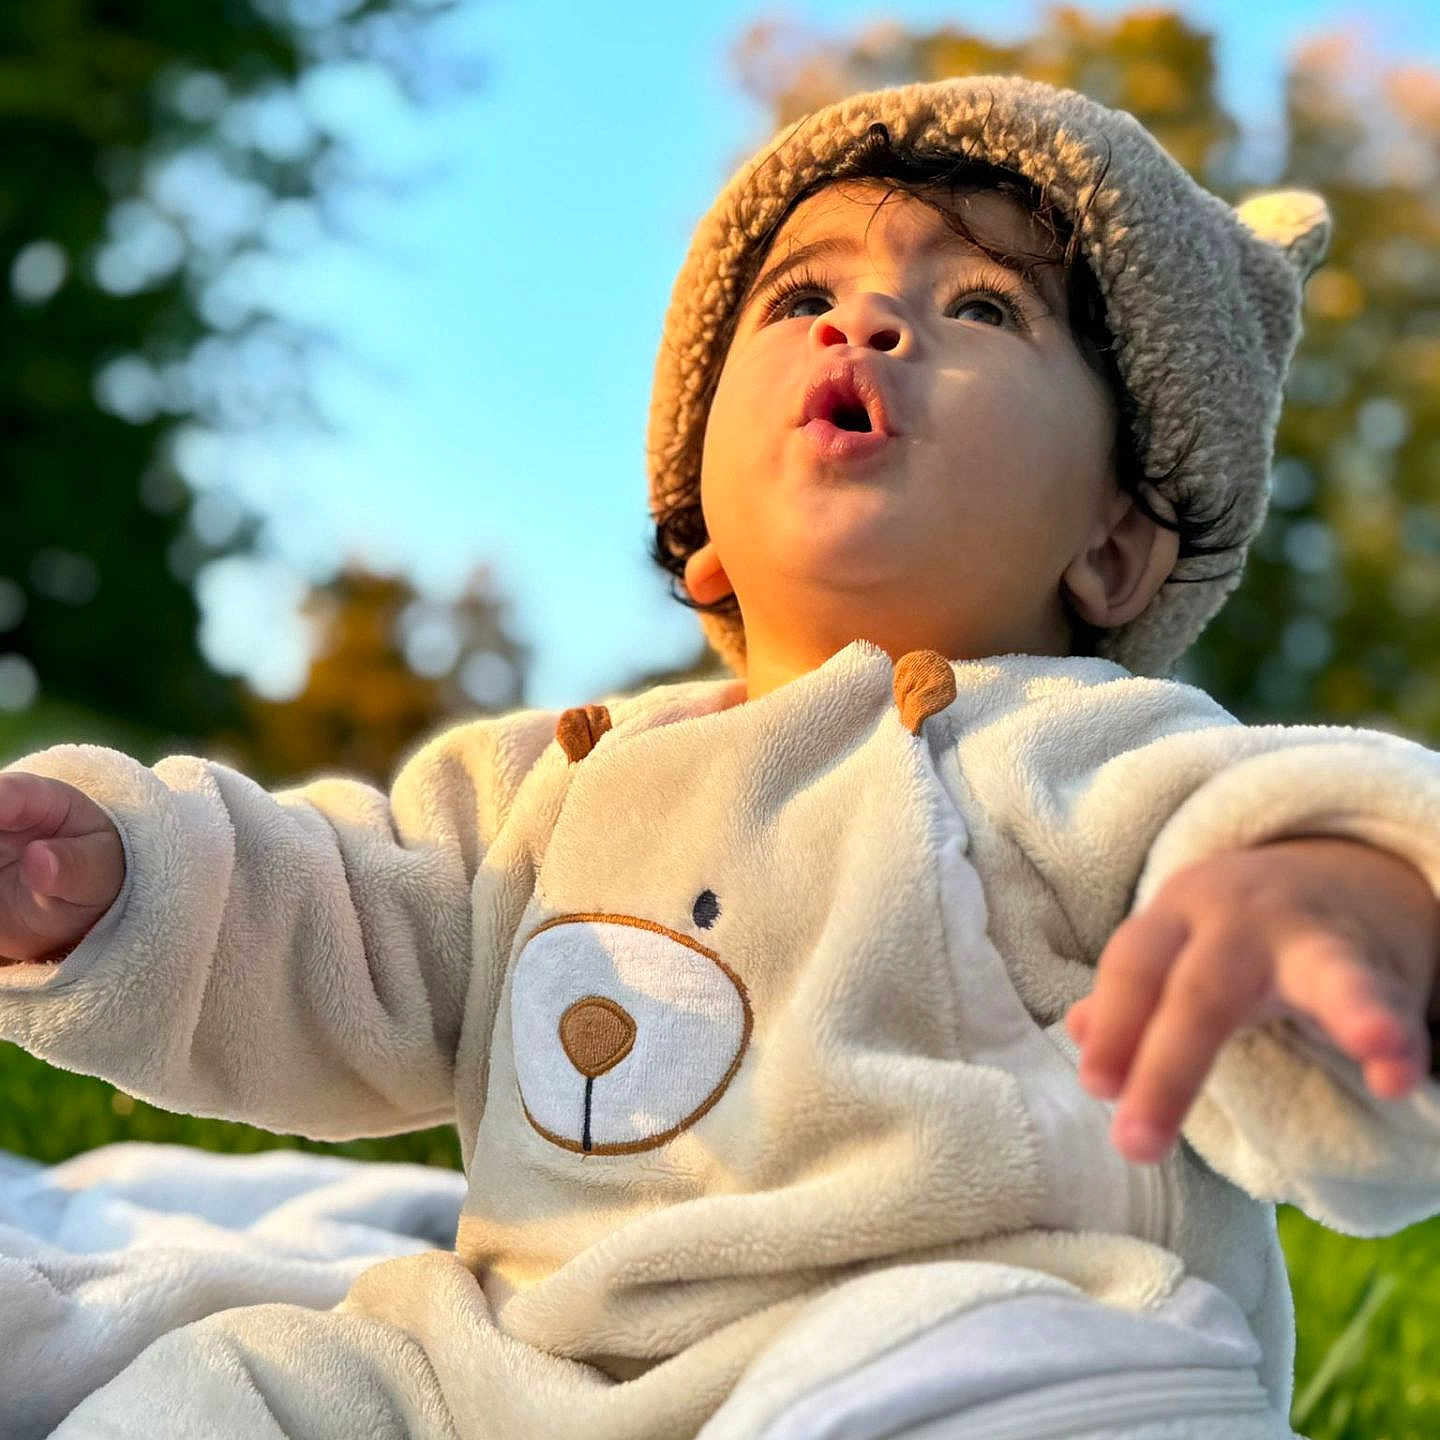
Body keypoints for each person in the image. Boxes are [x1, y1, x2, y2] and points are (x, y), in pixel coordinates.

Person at [2, 74, 1439, 1440]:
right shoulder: (560, 782)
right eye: (804, 294)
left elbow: (1265, 822)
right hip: (525, 1370)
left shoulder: (1078, 748)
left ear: (1117, 548)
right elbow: (329, 918)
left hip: (918, 1352)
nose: (865, 327)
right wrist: (117, 883)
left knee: (1060, 1372)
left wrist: (1351, 896)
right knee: (244, 1382)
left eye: (984, 308)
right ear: (697, 530)